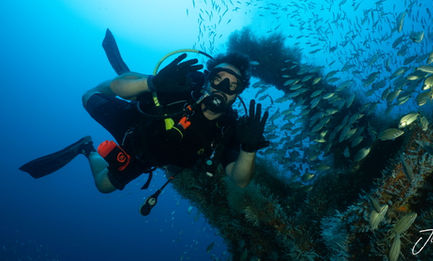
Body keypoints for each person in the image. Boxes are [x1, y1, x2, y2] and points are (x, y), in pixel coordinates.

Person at [20, 52, 269, 194]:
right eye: (218, 79)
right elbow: (118, 90)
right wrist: (152, 84)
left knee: (104, 186)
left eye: (232, 84)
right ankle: (135, 81)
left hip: (146, 157)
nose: (223, 88)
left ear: (238, 93)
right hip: (134, 122)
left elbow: (240, 179)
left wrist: (248, 150)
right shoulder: (181, 87)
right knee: (88, 97)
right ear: (206, 80)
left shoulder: (229, 129)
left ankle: (86, 147)